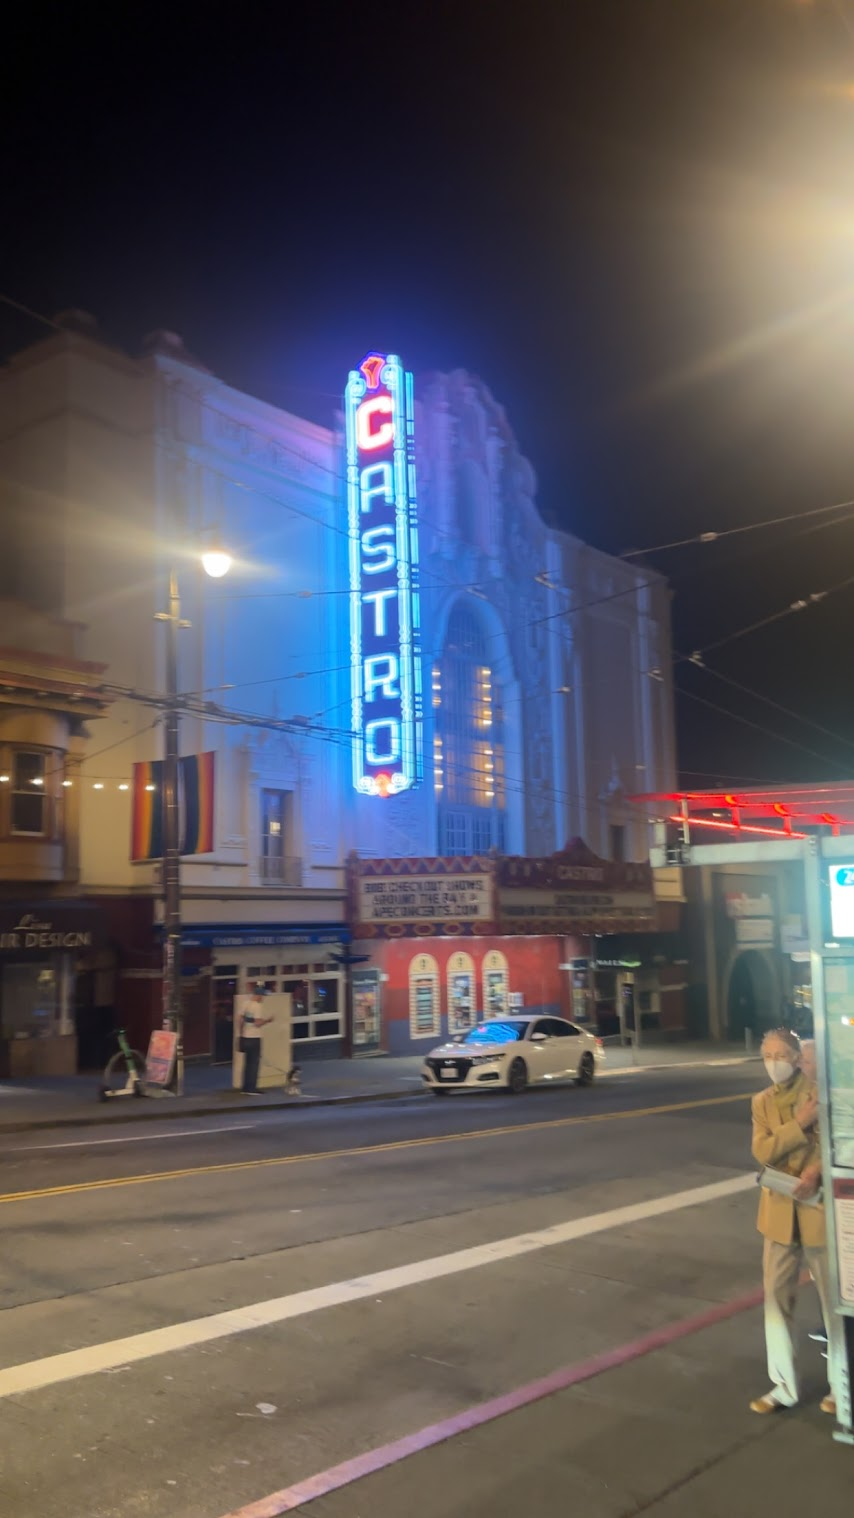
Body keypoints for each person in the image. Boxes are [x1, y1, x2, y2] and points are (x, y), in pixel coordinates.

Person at [750, 1027, 835, 1416]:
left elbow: (834, 1141)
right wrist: (800, 1124)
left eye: (779, 1055)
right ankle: (782, 1386)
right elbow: (762, 1150)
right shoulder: (761, 1102)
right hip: (778, 1214)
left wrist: (816, 1170)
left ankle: (842, 1385)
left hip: (817, 1209)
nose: (773, 1064)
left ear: (796, 1058)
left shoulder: (819, 1092)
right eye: (766, 1056)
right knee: (775, 1301)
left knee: (833, 1303)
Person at [238, 985, 273, 1094]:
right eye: (262, 995)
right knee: (254, 1064)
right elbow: (257, 1023)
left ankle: (245, 1088)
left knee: (247, 1064)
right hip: (254, 1038)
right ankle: (251, 1088)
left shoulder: (245, 1004)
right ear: (258, 995)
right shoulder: (257, 1006)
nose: (263, 998)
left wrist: (241, 1033)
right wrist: (268, 1020)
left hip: (245, 1037)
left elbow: (239, 1020)